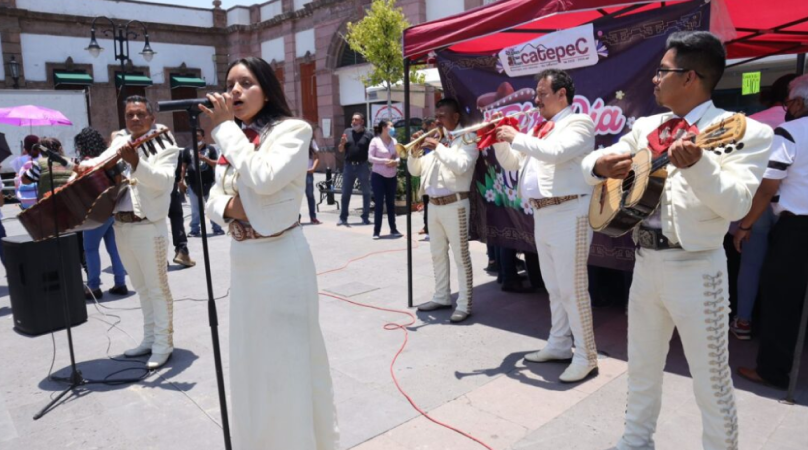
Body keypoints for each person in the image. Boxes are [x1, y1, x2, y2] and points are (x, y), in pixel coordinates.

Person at [581, 31, 772, 450]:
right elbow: (593, 163)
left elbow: (738, 205)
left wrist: (700, 167)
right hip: (646, 264)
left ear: (690, 77)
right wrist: (598, 165)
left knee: (710, 379)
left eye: (662, 71)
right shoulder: (648, 126)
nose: (654, 79)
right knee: (642, 367)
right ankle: (635, 441)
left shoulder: (747, 132)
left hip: (697, 268)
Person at [201, 56, 338, 450]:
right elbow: (214, 195)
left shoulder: (293, 131)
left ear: (267, 88)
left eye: (245, 83)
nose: (235, 92)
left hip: (281, 261)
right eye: (230, 84)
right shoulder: (237, 137)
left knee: (286, 364)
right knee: (251, 363)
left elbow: (262, 179)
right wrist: (230, 208)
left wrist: (225, 129)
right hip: (244, 261)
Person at [493, 68, 598, 382]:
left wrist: (517, 136)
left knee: (572, 289)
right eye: (536, 94)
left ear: (561, 94)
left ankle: (586, 355)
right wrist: (498, 138)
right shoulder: (539, 129)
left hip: (571, 212)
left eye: (542, 93)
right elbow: (513, 162)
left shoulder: (578, 122)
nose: (536, 100)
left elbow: (557, 153)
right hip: (544, 213)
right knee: (553, 288)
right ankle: (559, 344)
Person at [78, 95, 182, 370]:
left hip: (150, 227)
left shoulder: (166, 146)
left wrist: (137, 163)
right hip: (121, 225)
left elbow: (164, 184)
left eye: (140, 114)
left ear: (151, 118)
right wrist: (79, 167)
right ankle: (149, 339)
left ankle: (163, 344)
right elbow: (100, 160)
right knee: (141, 288)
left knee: (157, 289)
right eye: (129, 115)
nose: (134, 119)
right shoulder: (120, 141)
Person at [737, 74, 808, 391]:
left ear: (797, 103)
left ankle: (773, 371)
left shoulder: (789, 132)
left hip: (797, 228)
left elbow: (767, 188)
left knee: (782, 299)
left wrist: (745, 225)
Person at [727, 73, 796, 340]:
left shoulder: (751, 122)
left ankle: (743, 320)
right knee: (786, 267)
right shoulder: (796, 124)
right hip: (790, 204)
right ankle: (777, 328)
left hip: (754, 201)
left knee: (751, 263)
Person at [409, 98, 478, 323]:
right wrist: (414, 152)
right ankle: (441, 297)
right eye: (435, 116)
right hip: (433, 205)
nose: (437, 120)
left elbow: (461, 166)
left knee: (461, 256)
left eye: (442, 116)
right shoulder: (437, 141)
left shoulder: (467, 138)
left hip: (455, 204)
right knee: (436, 253)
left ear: (455, 117)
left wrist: (438, 147)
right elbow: (415, 171)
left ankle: (465, 304)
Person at [74, 127, 128, 300]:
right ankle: (121, 283)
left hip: (94, 213)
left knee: (90, 249)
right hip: (111, 209)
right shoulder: (107, 159)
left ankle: (93, 287)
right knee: (114, 249)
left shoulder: (87, 163)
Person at [180, 128, 224, 237]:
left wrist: (204, 158)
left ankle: (217, 228)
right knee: (195, 210)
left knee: (212, 207)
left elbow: (216, 164)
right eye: (194, 136)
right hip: (193, 184)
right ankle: (194, 230)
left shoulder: (210, 149)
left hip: (209, 184)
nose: (196, 138)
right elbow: (183, 166)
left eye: (198, 136)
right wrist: (180, 180)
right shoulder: (187, 150)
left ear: (203, 137)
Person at [336, 112, 373, 226]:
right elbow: (341, 150)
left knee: (366, 192)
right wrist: (342, 144)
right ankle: (343, 218)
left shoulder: (369, 134)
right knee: (345, 193)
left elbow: (373, 151)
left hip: (362, 166)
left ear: (362, 121)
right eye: (352, 119)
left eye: (356, 120)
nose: (353, 122)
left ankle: (365, 217)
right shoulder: (347, 132)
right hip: (348, 166)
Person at [368, 119, 401, 239]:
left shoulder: (394, 141)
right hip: (378, 175)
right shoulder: (375, 141)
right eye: (390, 126)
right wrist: (384, 161)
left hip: (391, 175)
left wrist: (395, 162)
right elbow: (370, 158)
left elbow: (398, 157)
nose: (393, 129)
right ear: (383, 127)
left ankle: (393, 229)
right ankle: (376, 231)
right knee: (379, 203)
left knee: (391, 203)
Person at [168, 149, 196, 268]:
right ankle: (181, 250)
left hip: (147, 189)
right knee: (176, 216)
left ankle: (158, 256)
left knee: (155, 221)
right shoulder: (171, 146)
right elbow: (178, 174)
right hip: (169, 185)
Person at [419, 118, 436, 238]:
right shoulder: (424, 138)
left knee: (433, 205)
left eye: (426, 127)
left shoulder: (438, 138)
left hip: (435, 175)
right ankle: (427, 229)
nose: (425, 130)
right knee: (427, 204)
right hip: (426, 174)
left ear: (432, 125)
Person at [305, 139, 321, 224]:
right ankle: (296, 218)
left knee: (310, 196)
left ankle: (313, 217)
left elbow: (317, 157)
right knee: (296, 197)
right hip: (297, 174)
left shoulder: (311, 142)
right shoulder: (295, 140)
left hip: (308, 173)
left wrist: (313, 168)